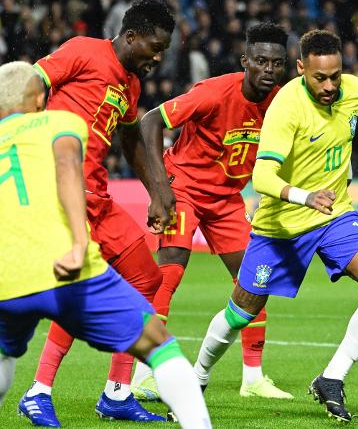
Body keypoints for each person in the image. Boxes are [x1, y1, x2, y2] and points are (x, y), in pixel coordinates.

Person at [192, 29, 358, 422]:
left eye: (335, 76)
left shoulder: (354, 92)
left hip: (335, 215)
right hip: (282, 227)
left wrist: (343, 180)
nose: (329, 86)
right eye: (319, 77)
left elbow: (342, 139)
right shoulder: (285, 108)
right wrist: (305, 196)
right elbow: (263, 177)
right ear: (301, 68)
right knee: (241, 313)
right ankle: (197, 377)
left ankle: (331, 378)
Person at [0, 61, 212, 429]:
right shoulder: (60, 121)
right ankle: (40, 389)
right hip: (64, 258)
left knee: (5, 354)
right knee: (161, 346)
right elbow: (68, 164)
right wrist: (80, 242)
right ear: (39, 98)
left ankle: (115, 392)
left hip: (9, 274)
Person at [18, 0, 176, 426]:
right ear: (131, 37)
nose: (158, 59)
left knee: (147, 276)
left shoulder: (130, 85)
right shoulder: (83, 51)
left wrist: (157, 192)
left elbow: (130, 142)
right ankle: (38, 391)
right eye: (154, 48)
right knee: (80, 288)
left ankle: (117, 392)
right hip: (60, 192)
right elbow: (29, 85)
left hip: (99, 199)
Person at [137, 22, 293, 401]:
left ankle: (253, 378)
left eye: (276, 63)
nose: (268, 70)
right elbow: (151, 120)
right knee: (170, 270)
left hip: (226, 199)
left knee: (254, 279)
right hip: (185, 187)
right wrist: (160, 189)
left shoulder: (282, 103)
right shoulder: (213, 92)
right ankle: (144, 373)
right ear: (245, 62)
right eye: (260, 61)